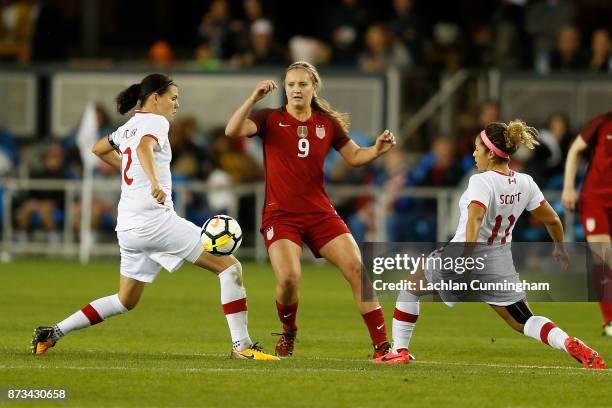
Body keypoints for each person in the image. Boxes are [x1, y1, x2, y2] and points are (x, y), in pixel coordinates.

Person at [31, 73, 278, 361]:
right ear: (155, 98)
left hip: (129, 227)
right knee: (230, 267)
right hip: (154, 221)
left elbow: (98, 149)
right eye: (173, 98)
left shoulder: (128, 126)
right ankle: (242, 347)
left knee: (126, 300)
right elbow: (143, 147)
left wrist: (131, 167)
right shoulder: (155, 121)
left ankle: (53, 333)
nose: (176, 104)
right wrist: (154, 182)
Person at [374, 120, 606, 369]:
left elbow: (475, 217)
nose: (474, 154)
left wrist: (466, 256)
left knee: (410, 288)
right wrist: (559, 248)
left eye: (477, 148)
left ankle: (400, 351)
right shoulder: (525, 183)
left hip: (465, 253)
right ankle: (568, 341)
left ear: (491, 153)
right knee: (524, 321)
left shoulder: (480, 181)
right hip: (500, 262)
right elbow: (552, 219)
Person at [225, 61, 396, 359]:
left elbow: (354, 156)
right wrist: (253, 98)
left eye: (302, 84)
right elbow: (232, 130)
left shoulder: (326, 123)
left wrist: (377, 151)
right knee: (289, 279)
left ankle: (383, 348)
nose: (295, 89)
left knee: (358, 270)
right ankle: (289, 332)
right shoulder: (269, 119)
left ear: (313, 87)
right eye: (290, 84)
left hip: (320, 214)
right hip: (281, 216)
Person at [561, 110, 612, 337]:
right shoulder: (602, 122)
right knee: (604, 256)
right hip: (596, 201)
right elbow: (575, 150)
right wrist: (569, 188)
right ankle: (610, 319)